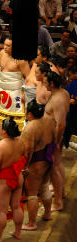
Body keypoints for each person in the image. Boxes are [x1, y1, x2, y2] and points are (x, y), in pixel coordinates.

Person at [0, 117, 26, 242]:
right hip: (18, 176)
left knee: (1, 210)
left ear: (4, 131)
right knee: (16, 206)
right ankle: (18, 232)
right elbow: (25, 156)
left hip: (4, 180)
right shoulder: (21, 142)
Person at [0, 37, 30, 141]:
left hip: (15, 91)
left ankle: (15, 136)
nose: (5, 47)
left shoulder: (21, 60)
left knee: (15, 114)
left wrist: (25, 92)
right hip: (2, 88)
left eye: (8, 46)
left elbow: (28, 78)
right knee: (0, 111)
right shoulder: (2, 53)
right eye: (4, 44)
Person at [21, 100, 54, 231]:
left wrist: (25, 167)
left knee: (32, 193)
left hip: (36, 161)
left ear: (29, 114)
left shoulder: (30, 127)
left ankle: (31, 223)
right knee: (44, 186)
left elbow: (28, 151)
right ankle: (47, 213)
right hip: (48, 158)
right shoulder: (49, 121)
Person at [43, 71, 70, 211]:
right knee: (58, 165)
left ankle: (58, 202)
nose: (43, 84)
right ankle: (62, 192)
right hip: (54, 135)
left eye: (45, 82)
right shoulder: (63, 92)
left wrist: (56, 141)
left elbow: (61, 123)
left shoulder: (58, 99)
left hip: (55, 135)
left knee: (53, 168)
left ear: (52, 84)